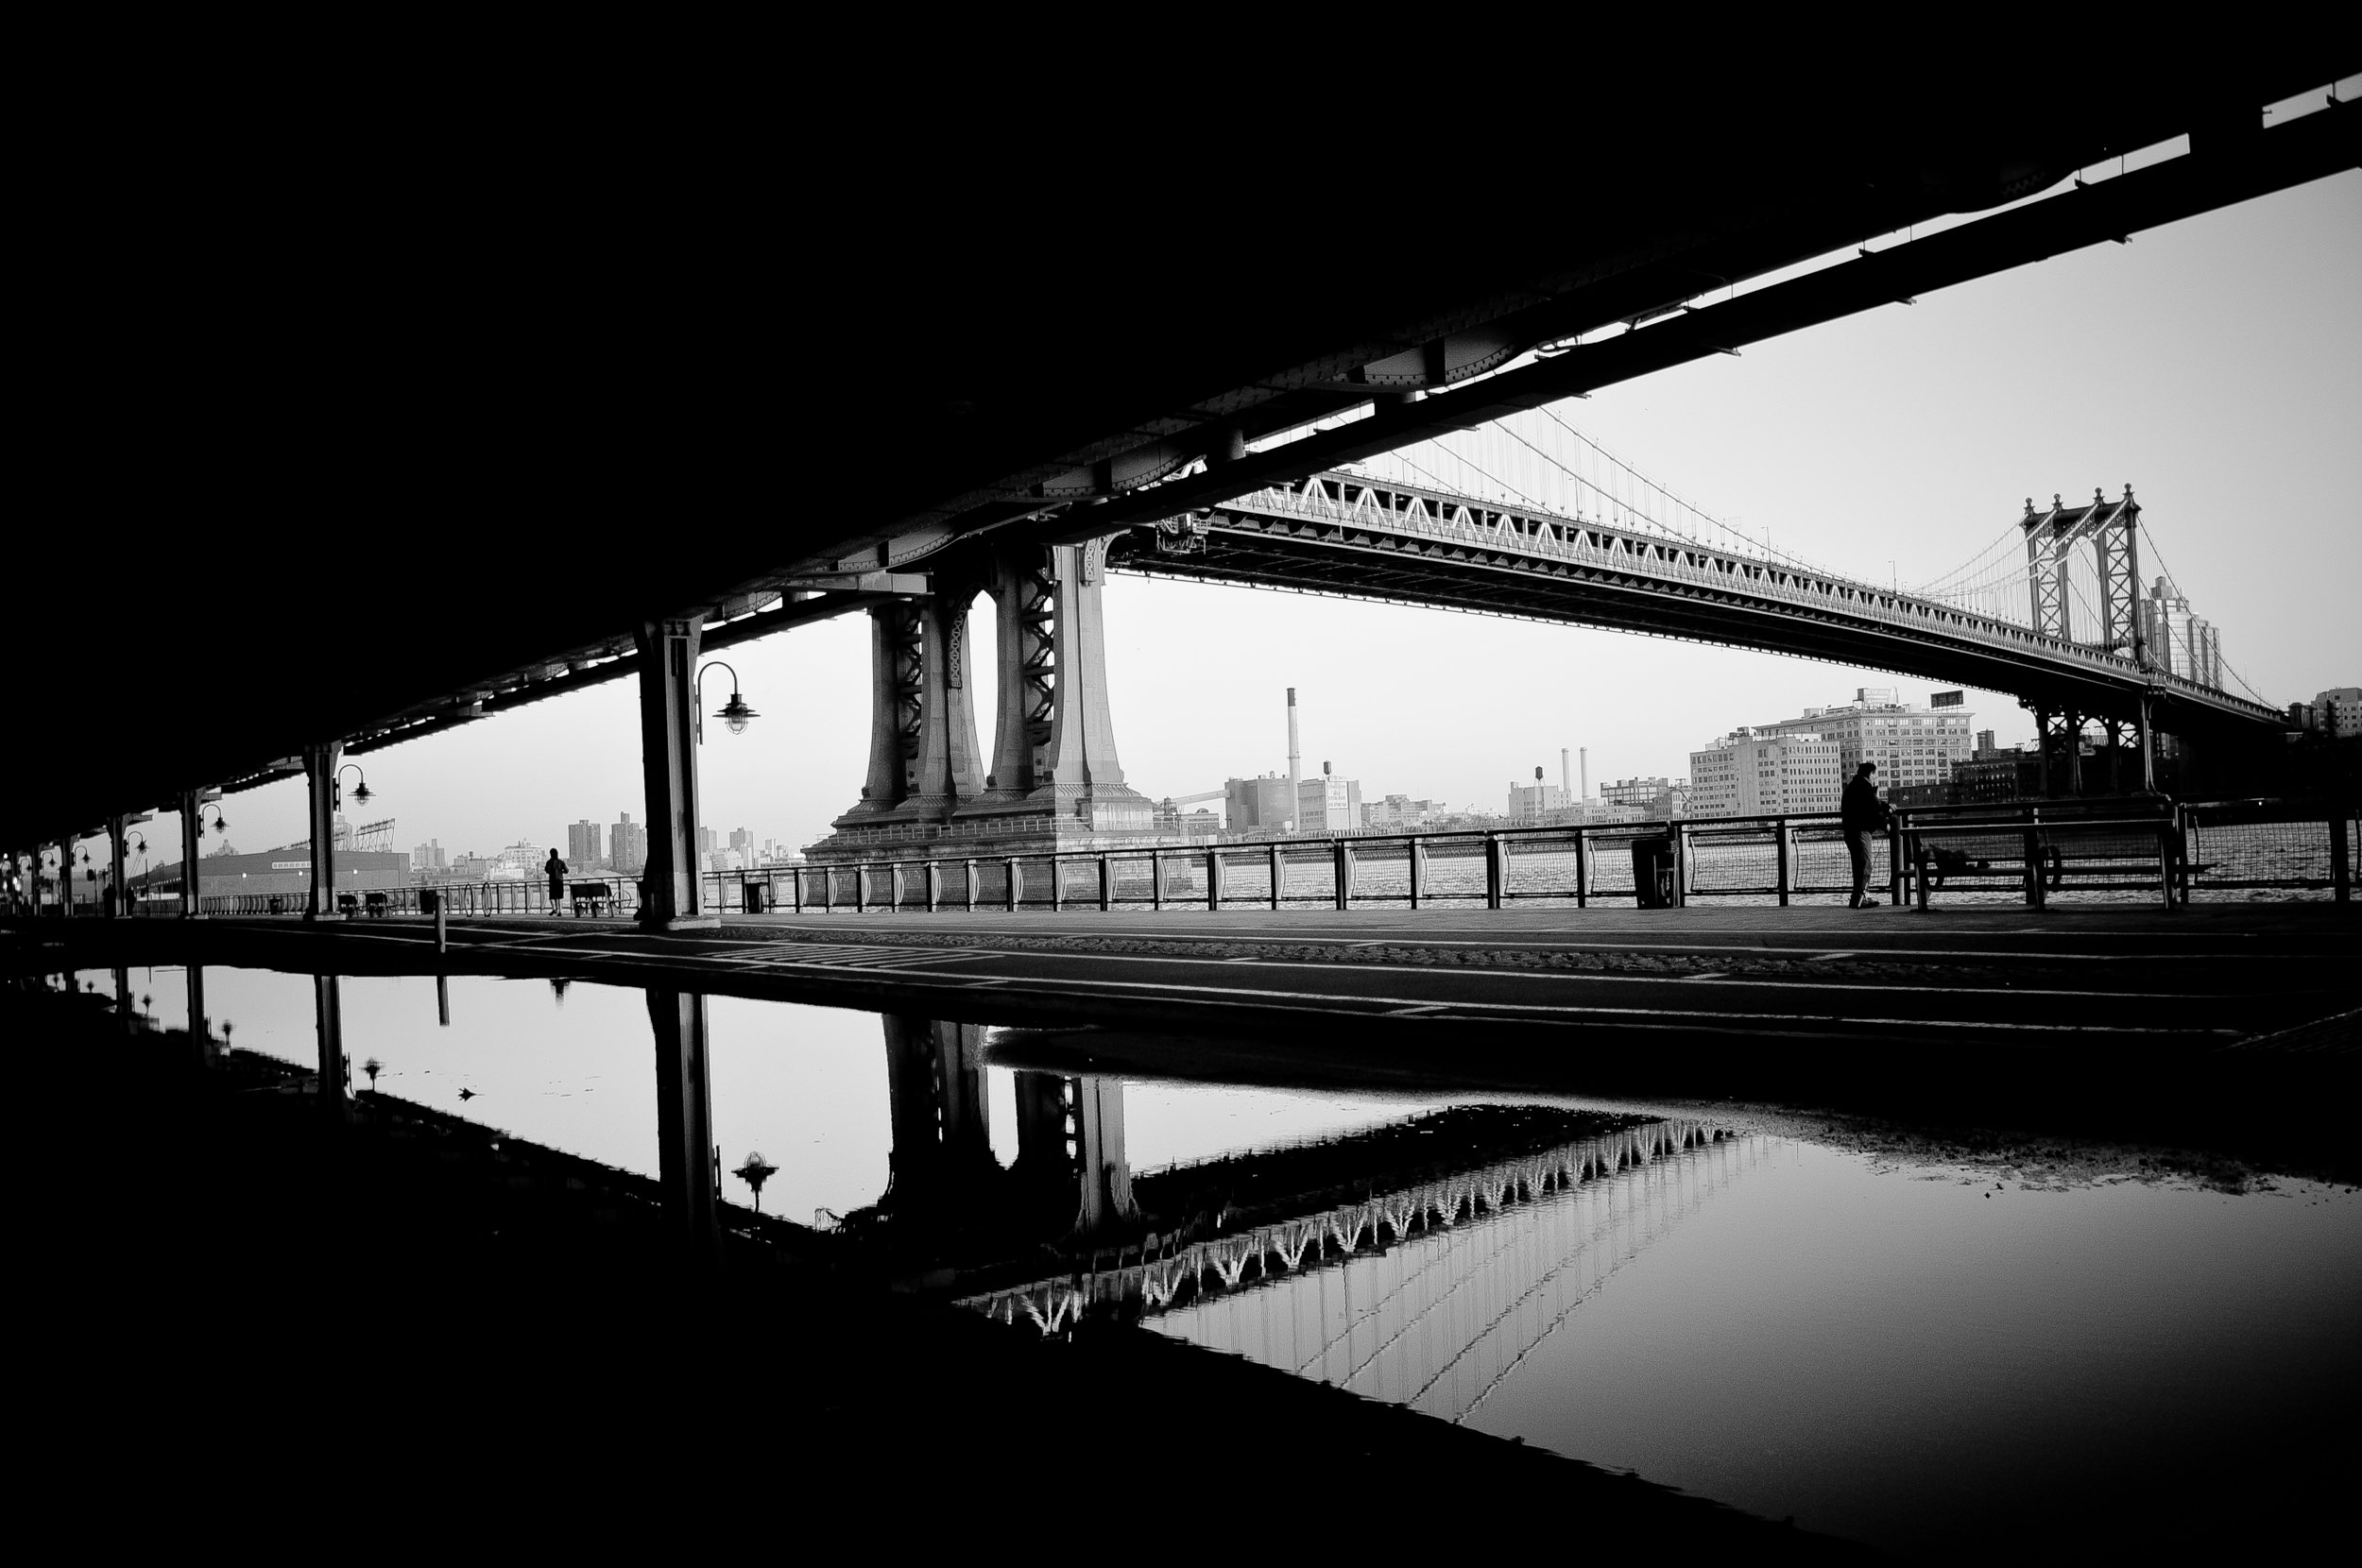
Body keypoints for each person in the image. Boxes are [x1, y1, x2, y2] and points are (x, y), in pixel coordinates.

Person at [1840, 760, 1891, 909]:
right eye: (1875, 774)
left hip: (1850, 831)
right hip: (1861, 831)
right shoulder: (1864, 787)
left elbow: (1871, 803)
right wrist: (1885, 825)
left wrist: (1884, 805)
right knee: (1865, 865)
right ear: (1871, 774)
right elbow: (1873, 808)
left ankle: (1858, 897)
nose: (1876, 777)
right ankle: (1861, 898)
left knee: (1858, 865)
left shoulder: (1853, 786)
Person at [544, 848, 568, 913]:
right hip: (559, 881)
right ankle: (560, 910)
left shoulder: (549, 862)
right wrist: (561, 872)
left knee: (552, 896)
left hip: (552, 881)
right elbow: (567, 870)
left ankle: (554, 908)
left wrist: (551, 872)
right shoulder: (561, 862)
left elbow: (546, 870)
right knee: (560, 896)